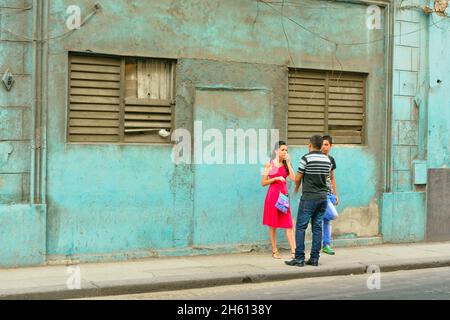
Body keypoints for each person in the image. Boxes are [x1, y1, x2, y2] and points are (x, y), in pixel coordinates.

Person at [285, 135, 332, 267]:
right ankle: (314, 259)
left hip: (309, 198)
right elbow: (326, 178)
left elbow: (298, 177)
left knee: (301, 227)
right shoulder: (327, 160)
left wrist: (296, 187)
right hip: (323, 198)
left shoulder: (306, 158)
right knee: (317, 227)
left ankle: (299, 258)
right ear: (321, 145)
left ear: (310, 145)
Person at [262, 141, 296, 259]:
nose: (285, 152)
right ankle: (274, 250)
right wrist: (275, 178)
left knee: (289, 224)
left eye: (286, 150)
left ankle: (294, 251)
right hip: (272, 196)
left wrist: (289, 162)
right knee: (273, 224)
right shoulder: (269, 165)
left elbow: (293, 178)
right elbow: (263, 182)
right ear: (276, 151)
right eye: (282, 149)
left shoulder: (287, 164)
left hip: (283, 197)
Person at [322, 135, 339, 255]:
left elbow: (332, 178)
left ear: (330, 146)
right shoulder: (317, 158)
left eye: (326, 144)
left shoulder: (331, 160)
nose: (324, 147)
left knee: (327, 220)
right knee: (332, 215)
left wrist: (335, 194)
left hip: (330, 193)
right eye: (322, 144)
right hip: (321, 194)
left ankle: (326, 245)